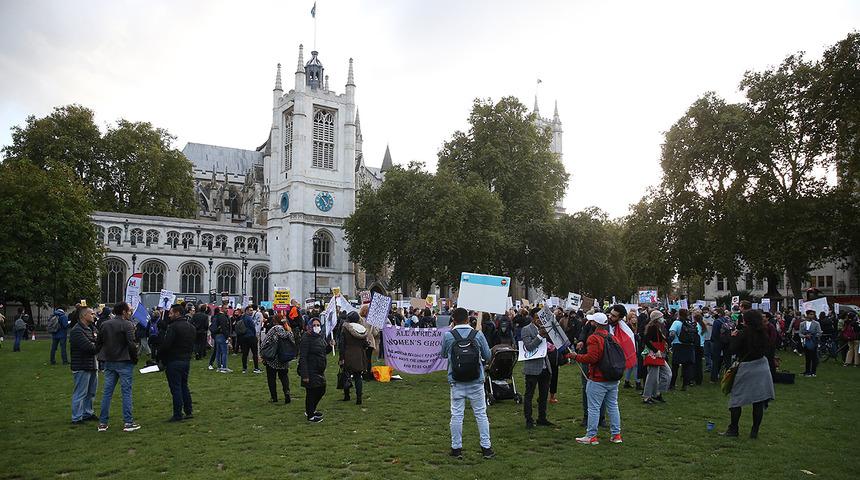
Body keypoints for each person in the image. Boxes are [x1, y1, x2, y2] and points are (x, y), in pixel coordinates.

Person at [440, 307, 494, 459]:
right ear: (468, 319)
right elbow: (488, 355)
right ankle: (486, 448)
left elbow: (443, 354)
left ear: (453, 320)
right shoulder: (477, 334)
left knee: (456, 415)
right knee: (481, 415)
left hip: (456, 381)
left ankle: (456, 448)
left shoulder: (449, 335)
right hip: (476, 381)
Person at [721, 310, 775, 438]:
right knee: (758, 401)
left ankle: (733, 429)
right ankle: (754, 431)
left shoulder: (743, 333)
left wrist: (733, 337)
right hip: (762, 366)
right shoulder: (763, 333)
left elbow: (733, 350)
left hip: (746, 367)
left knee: (736, 399)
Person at [574, 312, 623, 445]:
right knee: (613, 406)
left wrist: (575, 356)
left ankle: (591, 436)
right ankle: (616, 435)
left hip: (598, 379)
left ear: (595, 323)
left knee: (594, 407)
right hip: (612, 378)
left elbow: (592, 358)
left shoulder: (594, 338)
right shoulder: (612, 337)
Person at [96, 302, 140, 432]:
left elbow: (99, 342)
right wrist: (135, 358)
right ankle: (128, 422)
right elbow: (131, 344)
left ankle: (103, 423)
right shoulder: (127, 324)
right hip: (124, 361)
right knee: (126, 392)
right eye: (129, 311)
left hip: (109, 361)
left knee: (107, 393)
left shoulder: (105, 324)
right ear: (124, 312)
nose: (130, 313)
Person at [159, 304, 196, 422]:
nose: (169, 315)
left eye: (171, 313)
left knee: (176, 388)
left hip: (174, 360)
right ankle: (188, 410)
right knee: (184, 385)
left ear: (177, 313)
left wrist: (161, 358)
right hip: (186, 359)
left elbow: (166, 344)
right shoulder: (190, 327)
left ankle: (177, 413)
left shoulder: (173, 327)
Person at [521, 307, 554, 429]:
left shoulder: (547, 329)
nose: (539, 320)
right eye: (537, 318)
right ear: (532, 318)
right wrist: (540, 336)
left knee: (544, 395)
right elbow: (529, 347)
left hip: (545, 367)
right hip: (532, 368)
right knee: (529, 395)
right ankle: (529, 419)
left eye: (541, 318)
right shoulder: (526, 330)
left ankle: (542, 417)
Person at [298, 317, 331, 423]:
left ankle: (311, 410)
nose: (316, 327)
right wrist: (305, 375)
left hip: (319, 369)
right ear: (309, 326)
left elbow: (324, 350)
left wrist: (330, 346)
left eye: (318, 325)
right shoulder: (306, 338)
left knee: (321, 389)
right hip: (310, 369)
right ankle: (310, 415)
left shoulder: (320, 337)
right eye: (314, 325)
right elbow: (303, 357)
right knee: (312, 392)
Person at [70, 306, 99, 424]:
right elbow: (90, 347)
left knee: (91, 392)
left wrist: (96, 342)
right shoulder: (77, 330)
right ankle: (76, 417)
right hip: (82, 365)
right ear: (83, 316)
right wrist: (97, 343)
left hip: (92, 364)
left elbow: (97, 341)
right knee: (80, 393)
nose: (94, 316)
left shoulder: (91, 328)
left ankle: (87, 413)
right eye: (91, 314)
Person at [262, 313, 295, 403]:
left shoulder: (274, 329)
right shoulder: (288, 329)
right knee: (284, 377)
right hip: (284, 357)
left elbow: (265, 342)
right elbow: (293, 341)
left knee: (271, 378)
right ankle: (287, 392)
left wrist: (263, 354)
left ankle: (274, 397)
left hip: (272, 358)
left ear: (274, 320)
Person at [339, 311, 371, 405]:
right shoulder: (362, 329)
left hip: (347, 354)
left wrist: (341, 357)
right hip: (359, 355)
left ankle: (347, 396)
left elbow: (342, 344)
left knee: (346, 375)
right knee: (358, 377)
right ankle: (359, 398)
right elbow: (365, 344)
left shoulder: (345, 328)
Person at [641, 310, 671, 404]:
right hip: (655, 353)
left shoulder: (658, 327)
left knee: (666, 373)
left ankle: (656, 393)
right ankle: (648, 396)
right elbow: (645, 339)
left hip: (658, 353)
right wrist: (655, 350)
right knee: (653, 376)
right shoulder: (652, 327)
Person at [668, 309, 697, 390]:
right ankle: (685, 385)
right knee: (686, 366)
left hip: (678, 345)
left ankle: (672, 384)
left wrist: (669, 341)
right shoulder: (689, 323)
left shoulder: (676, 323)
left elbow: (672, 333)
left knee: (675, 366)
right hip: (688, 345)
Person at [239, 306, 261, 374]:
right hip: (251, 337)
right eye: (250, 310)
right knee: (255, 353)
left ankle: (244, 368)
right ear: (246, 311)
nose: (252, 312)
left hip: (244, 337)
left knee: (245, 353)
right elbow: (253, 328)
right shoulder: (249, 318)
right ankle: (256, 368)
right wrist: (255, 336)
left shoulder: (242, 317)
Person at [799, 310, 822, 377]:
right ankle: (807, 371)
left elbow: (819, 332)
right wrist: (805, 336)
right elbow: (800, 333)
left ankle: (813, 372)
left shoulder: (816, 323)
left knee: (813, 357)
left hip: (813, 341)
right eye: (811, 314)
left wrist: (814, 335)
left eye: (813, 314)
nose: (812, 316)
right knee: (807, 358)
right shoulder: (802, 324)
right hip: (806, 342)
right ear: (807, 315)